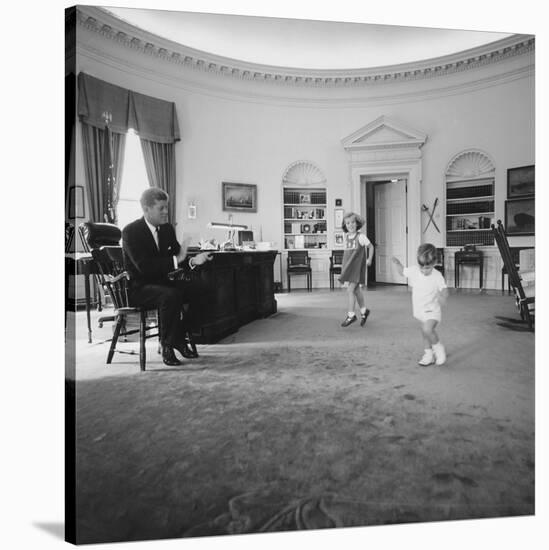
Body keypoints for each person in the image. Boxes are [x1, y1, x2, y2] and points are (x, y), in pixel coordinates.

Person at [122, 187, 213, 366]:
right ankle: (167, 345)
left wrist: (194, 261)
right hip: (139, 288)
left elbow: (179, 259)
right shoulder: (130, 232)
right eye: (161, 208)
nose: (166, 212)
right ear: (146, 209)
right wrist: (176, 259)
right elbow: (143, 267)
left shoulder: (167, 230)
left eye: (166, 207)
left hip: (164, 284)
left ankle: (177, 337)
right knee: (171, 295)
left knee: (202, 289)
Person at [391, 244, 448, 366]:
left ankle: (439, 349)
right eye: (422, 267)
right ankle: (428, 355)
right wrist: (397, 263)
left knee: (428, 329)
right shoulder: (414, 271)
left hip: (433, 310)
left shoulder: (437, 275)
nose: (424, 270)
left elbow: (444, 289)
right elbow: (402, 272)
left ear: (434, 263)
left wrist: (442, 297)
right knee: (424, 333)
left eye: (428, 268)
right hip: (420, 310)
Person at [338, 212, 374, 327]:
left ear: (357, 223)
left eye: (353, 222)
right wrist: (344, 267)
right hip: (350, 267)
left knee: (350, 290)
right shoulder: (346, 236)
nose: (351, 225)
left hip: (357, 268)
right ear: (345, 225)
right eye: (348, 223)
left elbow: (371, 246)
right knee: (356, 290)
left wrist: (369, 258)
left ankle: (351, 315)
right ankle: (364, 311)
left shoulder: (361, 237)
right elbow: (347, 254)